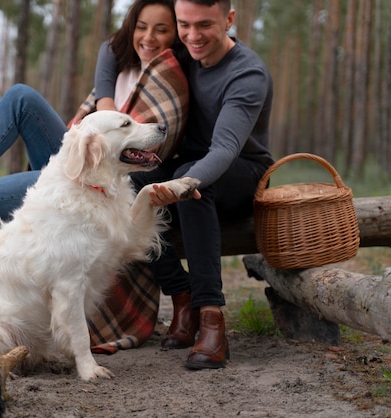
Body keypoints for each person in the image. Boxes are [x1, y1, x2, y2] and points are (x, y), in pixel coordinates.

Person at [0, 0, 190, 349]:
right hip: (77, 163)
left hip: (101, 174)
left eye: (162, 29)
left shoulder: (168, 75)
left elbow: (144, 145)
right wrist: (95, 123)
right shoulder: (119, 60)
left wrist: (102, 123)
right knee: (21, 97)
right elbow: (98, 109)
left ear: (178, 33)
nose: (149, 37)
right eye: (142, 26)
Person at [97, 0, 273, 370]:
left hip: (242, 171)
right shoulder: (185, 50)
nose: (193, 36)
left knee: (193, 185)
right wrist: (105, 101)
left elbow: (225, 149)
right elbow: (114, 47)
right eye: (184, 25)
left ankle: (211, 319)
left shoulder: (247, 74)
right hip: (186, 163)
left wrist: (184, 183)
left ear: (229, 19)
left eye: (204, 25)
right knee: (135, 183)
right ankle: (180, 293)